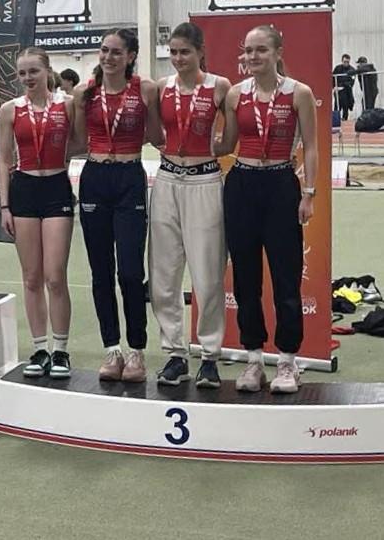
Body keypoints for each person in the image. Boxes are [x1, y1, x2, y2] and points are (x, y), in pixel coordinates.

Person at [217, 24, 318, 394]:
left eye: (260, 49)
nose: (253, 56)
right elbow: (227, 143)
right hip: (242, 186)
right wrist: (186, 141)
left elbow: (311, 147)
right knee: (245, 279)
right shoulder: (235, 94)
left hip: (280, 186)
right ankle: (254, 359)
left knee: (286, 278)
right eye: (248, 50)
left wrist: (309, 194)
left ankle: (288, 360)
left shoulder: (299, 93)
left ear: (278, 52)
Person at [72, 29, 164, 382]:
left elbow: (156, 136)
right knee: (101, 272)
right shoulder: (85, 93)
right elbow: (77, 141)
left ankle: (136, 350)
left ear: (130, 56)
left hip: (129, 178)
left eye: (115, 52)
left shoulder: (146, 90)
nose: (108, 57)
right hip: (95, 178)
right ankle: (112, 348)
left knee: (129, 271)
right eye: (104, 51)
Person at [148, 23, 231, 388]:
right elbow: (153, 133)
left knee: (208, 274)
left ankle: (209, 356)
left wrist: (215, 149)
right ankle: (175, 354)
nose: (178, 58)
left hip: (204, 181)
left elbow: (231, 138)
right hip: (167, 180)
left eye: (185, 51)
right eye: (173, 52)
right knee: (164, 274)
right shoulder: (161, 87)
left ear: (200, 52)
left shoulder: (220, 86)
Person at [0, 48, 76, 379]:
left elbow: (82, 142)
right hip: (24, 191)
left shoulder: (67, 105)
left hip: (56, 188)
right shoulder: (10, 110)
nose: (28, 78)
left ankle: (61, 350)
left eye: (34, 71)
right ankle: (40, 348)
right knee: (31, 277)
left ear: (47, 71)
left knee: (55, 276)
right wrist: (4, 205)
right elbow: (3, 159)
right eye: (22, 73)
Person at [332, 54, 356, 121]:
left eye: (347, 62)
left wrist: (342, 86)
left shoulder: (352, 70)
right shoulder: (337, 68)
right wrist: (334, 87)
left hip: (347, 91)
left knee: (345, 107)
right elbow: (333, 78)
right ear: (342, 61)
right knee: (337, 106)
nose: (346, 63)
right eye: (344, 62)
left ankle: (345, 120)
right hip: (338, 91)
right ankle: (336, 121)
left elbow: (351, 82)